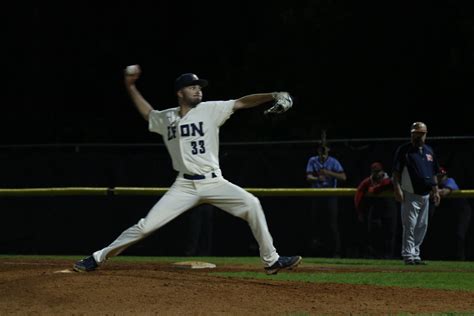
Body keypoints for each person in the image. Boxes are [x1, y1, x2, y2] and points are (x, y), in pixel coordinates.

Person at [73, 65, 301, 275]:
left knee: (252, 204)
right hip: (184, 185)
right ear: (180, 92)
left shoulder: (211, 109)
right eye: (192, 87)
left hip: (214, 182)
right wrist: (130, 86)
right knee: (145, 227)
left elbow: (242, 102)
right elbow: (147, 114)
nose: (198, 90)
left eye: (199, 87)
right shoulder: (168, 117)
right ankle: (97, 257)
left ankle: (271, 261)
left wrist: (271, 95)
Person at [392, 121, 440, 265]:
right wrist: (397, 189)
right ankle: (408, 255)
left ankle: (416, 253)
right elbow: (395, 173)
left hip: (425, 194)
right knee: (410, 225)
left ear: (425, 134)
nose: (418, 136)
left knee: (422, 226)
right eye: (415, 134)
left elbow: (434, 173)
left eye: (420, 134)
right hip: (410, 193)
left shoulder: (429, 151)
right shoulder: (404, 150)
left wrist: (436, 191)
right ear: (411, 134)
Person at [305, 143, 347, 257]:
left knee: (332, 224)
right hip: (317, 194)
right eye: (320, 150)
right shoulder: (313, 160)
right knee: (316, 223)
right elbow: (308, 177)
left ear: (328, 150)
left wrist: (329, 173)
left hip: (330, 195)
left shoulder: (333, 161)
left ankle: (335, 252)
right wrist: (318, 178)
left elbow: (343, 177)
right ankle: (316, 252)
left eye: (324, 150)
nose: (322, 152)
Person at [354, 162, 397, 259]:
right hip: (375, 209)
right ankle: (375, 255)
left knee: (389, 233)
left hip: (389, 209)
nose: (376, 174)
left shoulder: (388, 179)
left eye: (378, 171)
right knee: (374, 232)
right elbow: (358, 194)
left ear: (382, 171)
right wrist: (359, 211)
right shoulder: (368, 181)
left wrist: (376, 189)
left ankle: (388, 256)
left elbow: (388, 183)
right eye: (374, 172)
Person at [434, 167, 472, 260]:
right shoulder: (435, 185)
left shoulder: (450, 180)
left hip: (462, 210)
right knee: (447, 236)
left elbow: (444, 192)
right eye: (439, 176)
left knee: (460, 234)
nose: (442, 178)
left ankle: (461, 259)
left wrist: (433, 192)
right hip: (451, 212)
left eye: (443, 176)